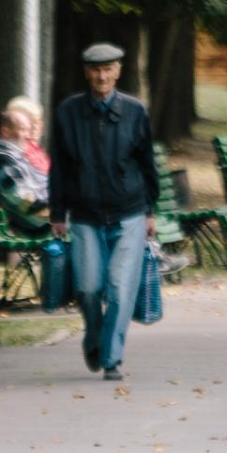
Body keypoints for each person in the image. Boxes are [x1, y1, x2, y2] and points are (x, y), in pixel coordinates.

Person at [49, 42, 159, 382]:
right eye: (96, 69)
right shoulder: (69, 112)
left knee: (119, 286)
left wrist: (151, 210)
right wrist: (57, 212)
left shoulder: (135, 111)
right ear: (87, 72)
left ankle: (112, 358)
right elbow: (60, 167)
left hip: (129, 213)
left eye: (108, 69)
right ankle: (93, 335)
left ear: (118, 71)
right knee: (89, 287)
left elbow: (147, 164)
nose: (102, 75)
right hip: (84, 214)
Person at [0, 110, 50, 236]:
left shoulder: (17, 156)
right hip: (34, 224)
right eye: (23, 129)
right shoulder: (3, 160)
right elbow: (20, 197)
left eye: (28, 130)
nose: (28, 136)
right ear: (5, 131)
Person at [6, 95, 50, 175]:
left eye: (38, 122)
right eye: (31, 122)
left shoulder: (35, 149)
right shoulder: (20, 152)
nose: (35, 127)